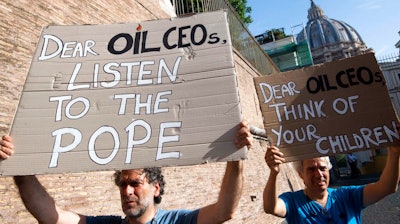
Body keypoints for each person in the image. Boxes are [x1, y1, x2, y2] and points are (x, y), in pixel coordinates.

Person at [0, 121, 253, 224]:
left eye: (135, 183)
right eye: (122, 184)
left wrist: (235, 159)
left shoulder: (177, 221)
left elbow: (224, 211)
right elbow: (51, 217)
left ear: (156, 188)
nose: (127, 191)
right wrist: (20, 171)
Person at [263, 129, 400, 223]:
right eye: (311, 169)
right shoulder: (292, 201)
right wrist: (274, 173)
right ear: (300, 174)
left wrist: (394, 153)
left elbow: (386, 187)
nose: (319, 174)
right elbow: (271, 207)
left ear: (329, 170)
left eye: (322, 168)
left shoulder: (348, 196)